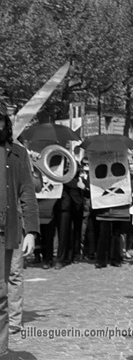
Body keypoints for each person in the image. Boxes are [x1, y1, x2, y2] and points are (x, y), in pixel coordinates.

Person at [0, 101, 39, 356]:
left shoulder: (17, 153)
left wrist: (31, 232)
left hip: (8, 232)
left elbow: (27, 192)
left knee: (2, 294)